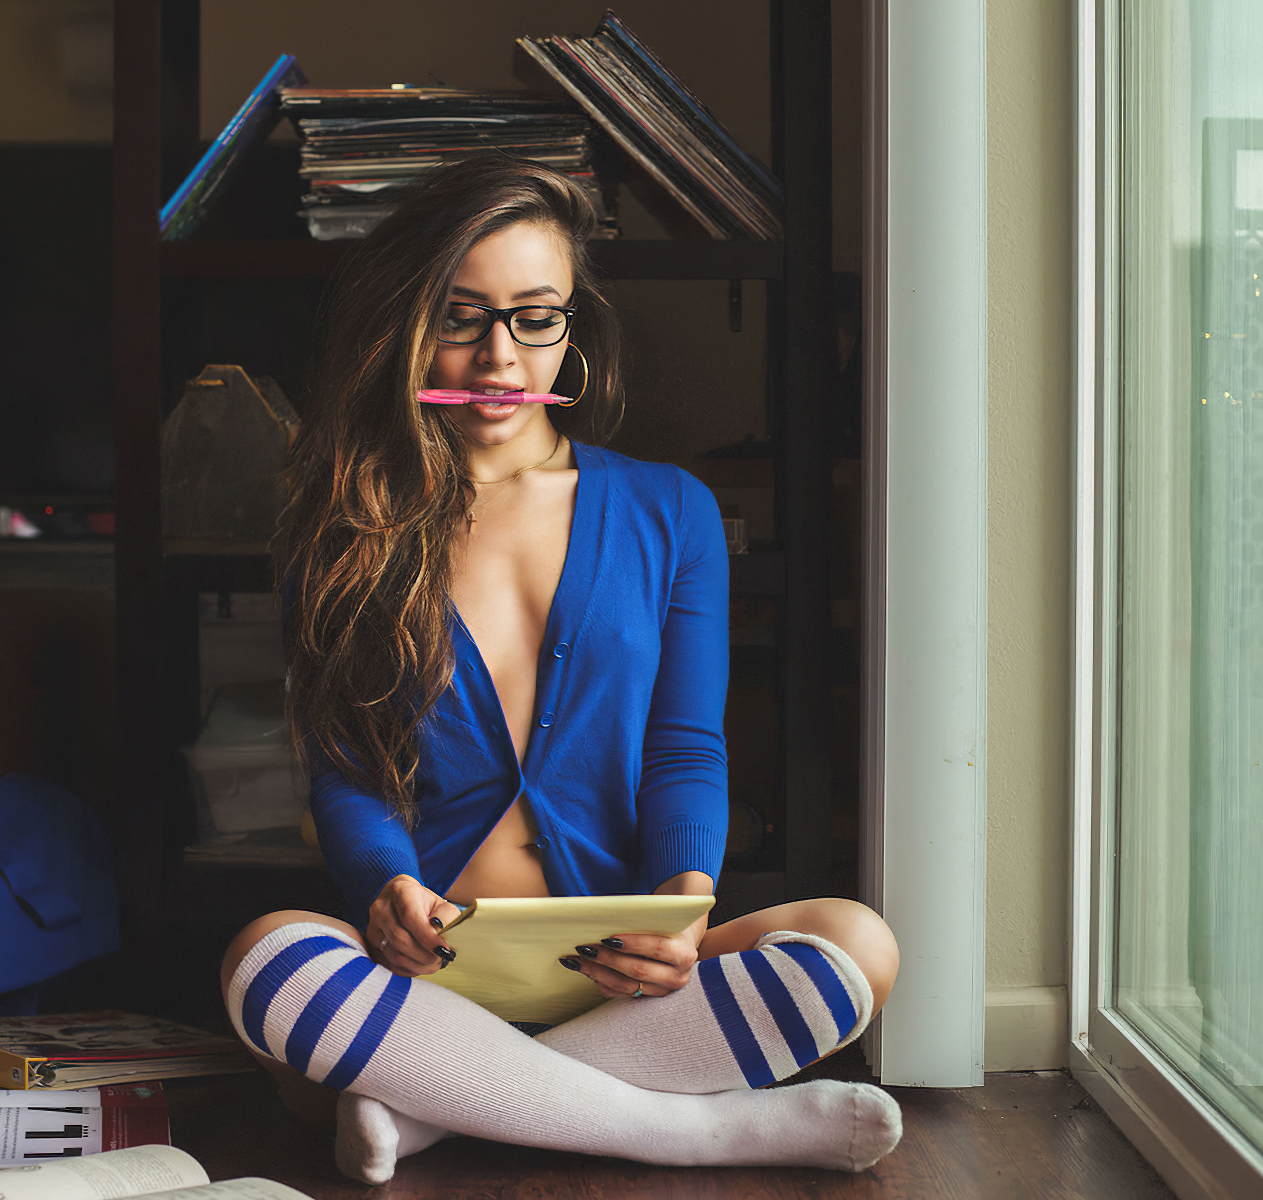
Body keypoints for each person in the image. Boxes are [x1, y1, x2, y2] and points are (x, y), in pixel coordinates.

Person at [219, 154, 902, 1185]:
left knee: (857, 942)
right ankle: (681, 1128)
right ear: (406, 325)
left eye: (535, 316)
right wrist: (385, 888)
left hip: (618, 970)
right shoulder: (340, 528)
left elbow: (684, 744)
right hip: (423, 969)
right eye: (462, 316)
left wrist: (684, 902)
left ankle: (438, 1108)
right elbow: (349, 767)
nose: (500, 356)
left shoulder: (669, 511)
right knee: (265, 957)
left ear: (573, 325)